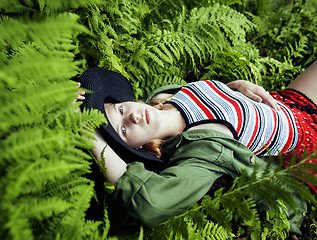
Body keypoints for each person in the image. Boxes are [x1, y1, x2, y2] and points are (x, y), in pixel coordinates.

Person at [78, 61, 317, 235]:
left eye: (120, 110)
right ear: (137, 147)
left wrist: (231, 88)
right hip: (306, 148)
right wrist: (90, 136)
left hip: (289, 105)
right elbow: (150, 204)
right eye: (124, 131)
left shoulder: (165, 97)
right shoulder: (200, 150)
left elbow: (215, 105)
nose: (132, 118)